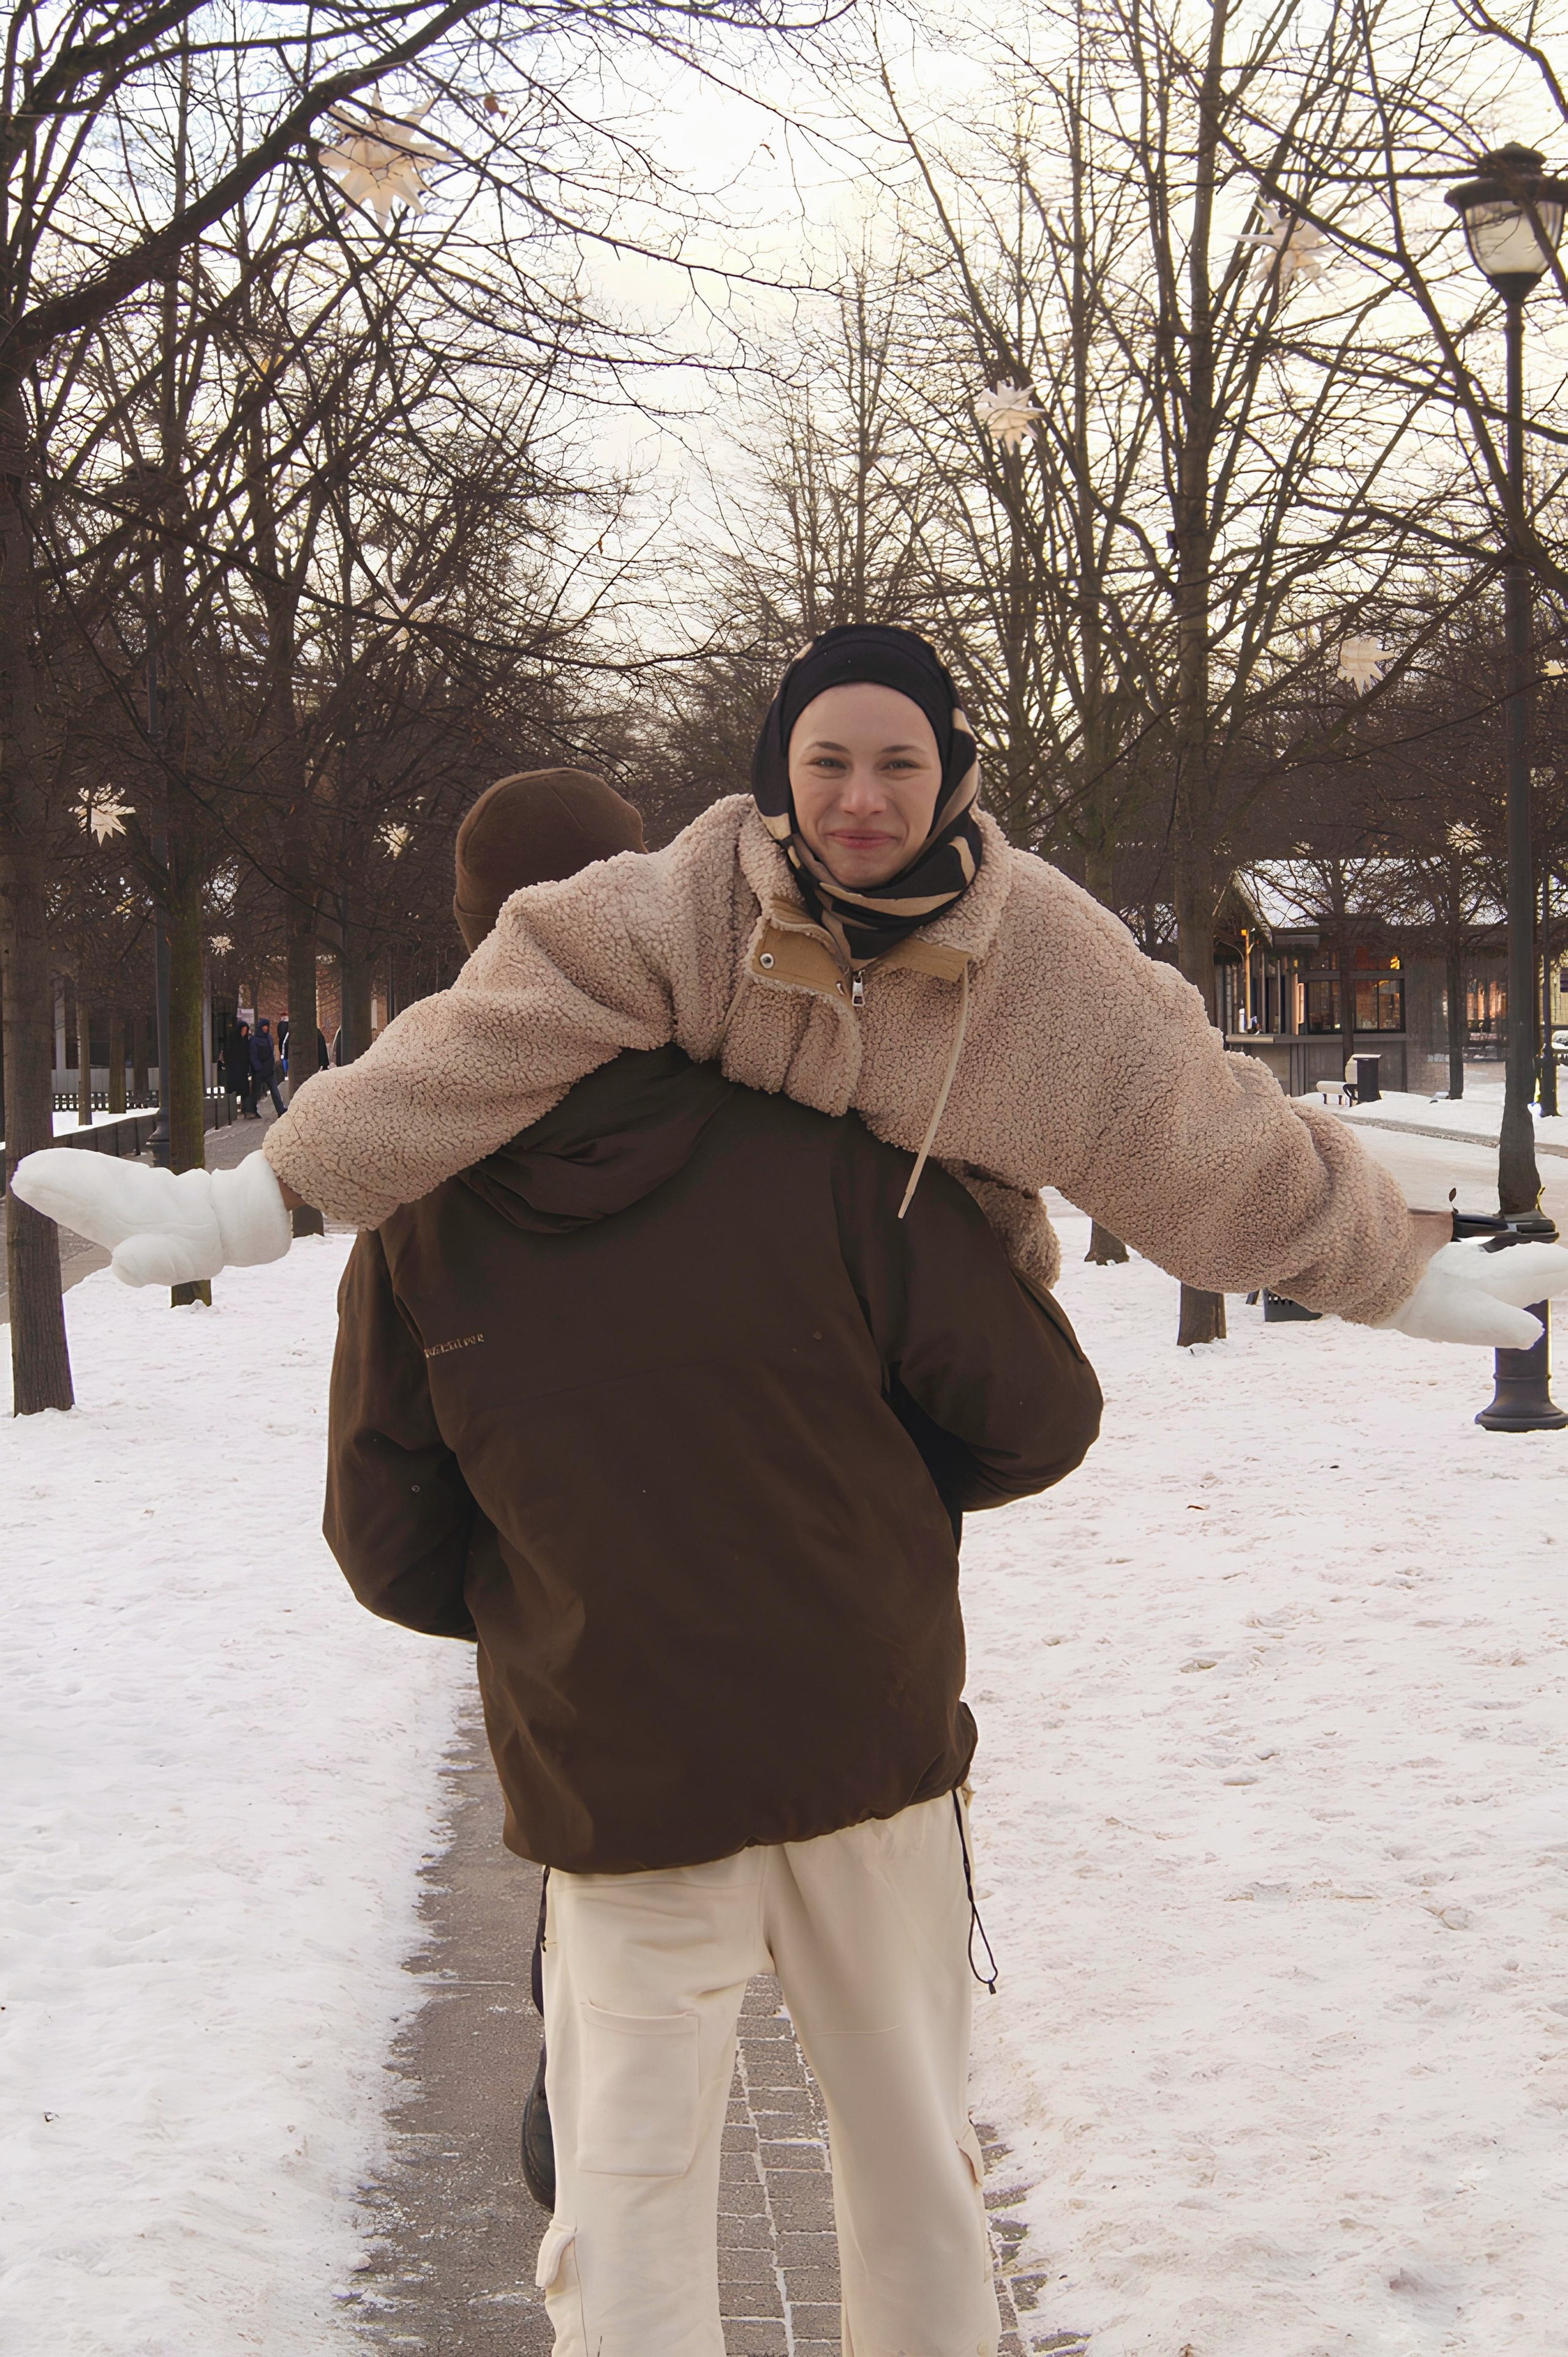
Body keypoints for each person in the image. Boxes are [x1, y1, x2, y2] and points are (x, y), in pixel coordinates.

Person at [325, 764, 1101, 2357]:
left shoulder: (420, 1193)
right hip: (863, 1741)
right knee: (908, 2180)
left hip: (623, 1779)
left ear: (481, 946)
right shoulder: (817, 1132)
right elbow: (1036, 1407)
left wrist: (558, 1595)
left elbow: (387, 1532)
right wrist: (869, 1512)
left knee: (627, 2209)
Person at [15, 635, 1568, 1344]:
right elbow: (475, 1045)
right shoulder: (673, 906)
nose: (861, 795)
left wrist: (1380, 1270)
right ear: (780, 773)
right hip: (697, 1406)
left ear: (951, 774)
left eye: (898, 761)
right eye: (827, 760)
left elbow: (1182, 1125)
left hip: (901, 1404)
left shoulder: (1045, 959)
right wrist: (256, 1199)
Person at [249, 1018, 285, 1118]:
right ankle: (253, 1110)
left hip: (269, 1069)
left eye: (267, 1026)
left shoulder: (269, 1037)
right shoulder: (255, 1040)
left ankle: (281, 1110)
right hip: (260, 1070)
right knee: (256, 1091)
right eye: (264, 1026)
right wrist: (258, 1068)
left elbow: (271, 1053)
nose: (266, 1028)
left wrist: (272, 1065)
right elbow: (253, 1055)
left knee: (274, 1089)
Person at [222, 1019, 255, 1118]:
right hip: (234, 1069)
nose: (244, 1032)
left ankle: (246, 1111)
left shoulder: (246, 1041)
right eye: (243, 1030)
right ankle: (231, 1113)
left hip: (242, 1069)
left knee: (245, 1090)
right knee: (233, 1090)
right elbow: (228, 1052)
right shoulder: (233, 1040)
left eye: (245, 1030)